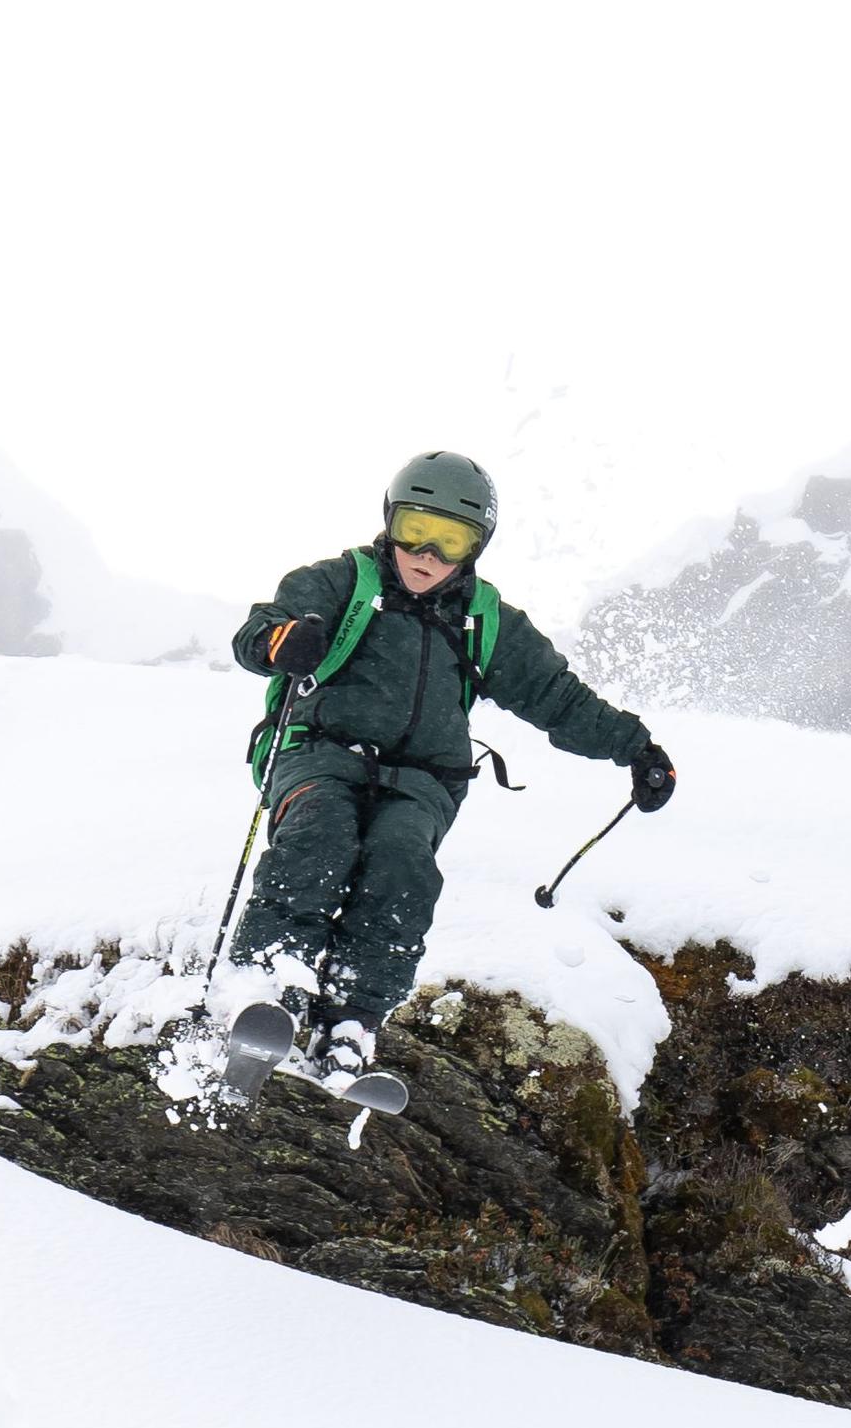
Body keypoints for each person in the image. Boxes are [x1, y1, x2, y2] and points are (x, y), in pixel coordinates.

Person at [227, 451, 675, 1072]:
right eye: (415, 529)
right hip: (319, 752)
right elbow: (261, 629)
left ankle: (352, 1020)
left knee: (402, 866)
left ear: (476, 547)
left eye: (451, 540)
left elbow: (556, 698)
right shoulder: (338, 583)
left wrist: (636, 748)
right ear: (390, 521)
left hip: (425, 779)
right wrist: (280, 641)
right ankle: (265, 990)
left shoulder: (486, 621)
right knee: (320, 836)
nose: (427, 555)